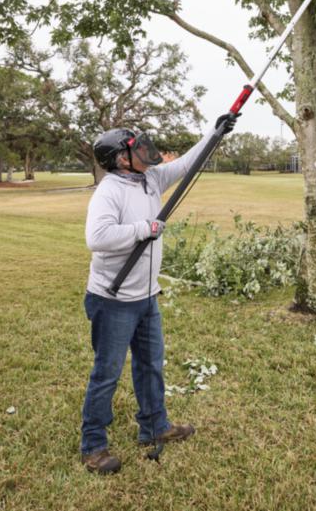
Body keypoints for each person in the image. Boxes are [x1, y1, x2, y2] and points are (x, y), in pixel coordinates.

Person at [79, 114, 237, 474]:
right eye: (135, 147)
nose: (144, 150)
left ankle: (154, 426)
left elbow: (185, 164)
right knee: (107, 373)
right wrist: (143, 229)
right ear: (121, 159)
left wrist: (215, 133)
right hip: (113, 299)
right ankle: (93, 446)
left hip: (146, 296)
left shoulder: (150, 179)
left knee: (151, 365)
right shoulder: (109, 191)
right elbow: (97, 238)